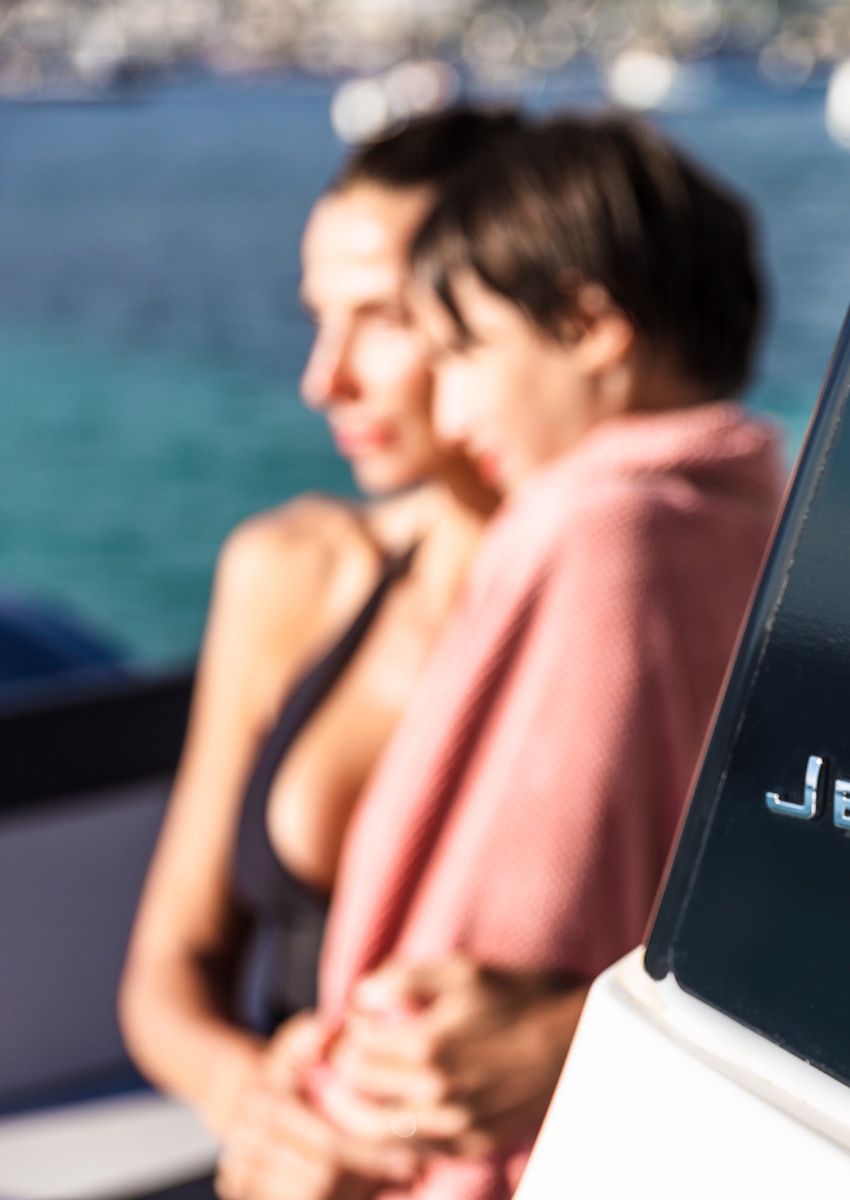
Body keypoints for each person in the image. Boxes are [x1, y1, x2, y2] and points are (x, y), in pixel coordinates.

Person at [286, 114, 783, 1200]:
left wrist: (337, 1094)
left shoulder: (593, 527)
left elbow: (488, 942)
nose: (452, 405)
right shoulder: (762, 525)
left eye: (463, 348)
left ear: (590, 326)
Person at [118, 111, 518, 1199]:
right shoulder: (291, 572)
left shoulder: (633, 614)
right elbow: (167, 970)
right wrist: (255, 1098)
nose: (322, 378)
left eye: (380, 318)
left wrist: (558, 1038)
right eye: (318, 320)